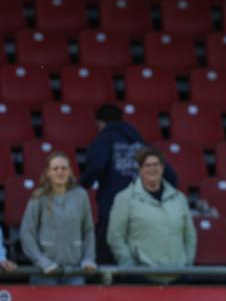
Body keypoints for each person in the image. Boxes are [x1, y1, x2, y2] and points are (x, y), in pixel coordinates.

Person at [79, 104, 178, 264]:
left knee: (110, 266)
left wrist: (82, 184)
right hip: (143, 216)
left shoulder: (103, 139)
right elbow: (172, 178)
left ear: (101, 123)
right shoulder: (143, 145)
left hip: (112, 214)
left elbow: (95, 167)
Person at [107, 147, 196, 279]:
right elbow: (115, 236)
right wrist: (129, 266)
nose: (152, 169)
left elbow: (190, 235)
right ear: (140, 169)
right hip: (141, 277)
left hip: (177, 276)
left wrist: (187, 264)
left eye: (156, 164)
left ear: (162, 167)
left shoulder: (179, 198)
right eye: (147, 165)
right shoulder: (125, 198)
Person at [20, 151, 96, 285]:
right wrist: (42, 261)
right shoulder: (38, 197)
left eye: (64, 168)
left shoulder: (81, 196)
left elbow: (88, 230)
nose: (60, 172)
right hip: (44, 272)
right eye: (55, 168)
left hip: (75, 270)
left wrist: (88, 259)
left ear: (70, 171)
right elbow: (27, 232)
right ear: (47, 172)